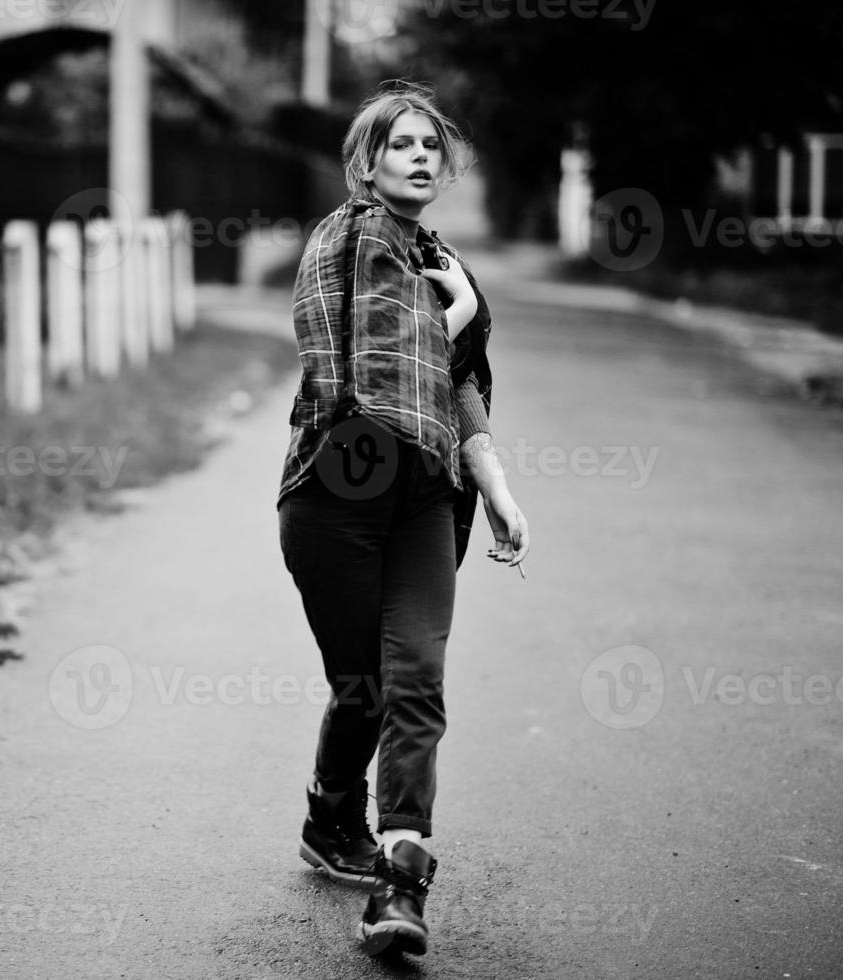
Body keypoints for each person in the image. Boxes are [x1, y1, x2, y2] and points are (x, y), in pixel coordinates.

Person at [277, 81, 529, 958]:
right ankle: (328, 814)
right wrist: (455, 313)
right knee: (365, 687)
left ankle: (399, 880)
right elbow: (381, 353)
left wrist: (492, 484)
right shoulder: (347, 240)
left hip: (423, 493)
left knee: (414, 680)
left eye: (431, 145)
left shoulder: (437, 256)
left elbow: (456, 381)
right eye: (400, 144)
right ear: (366, 162)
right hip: (336, 493)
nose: (420, 156)